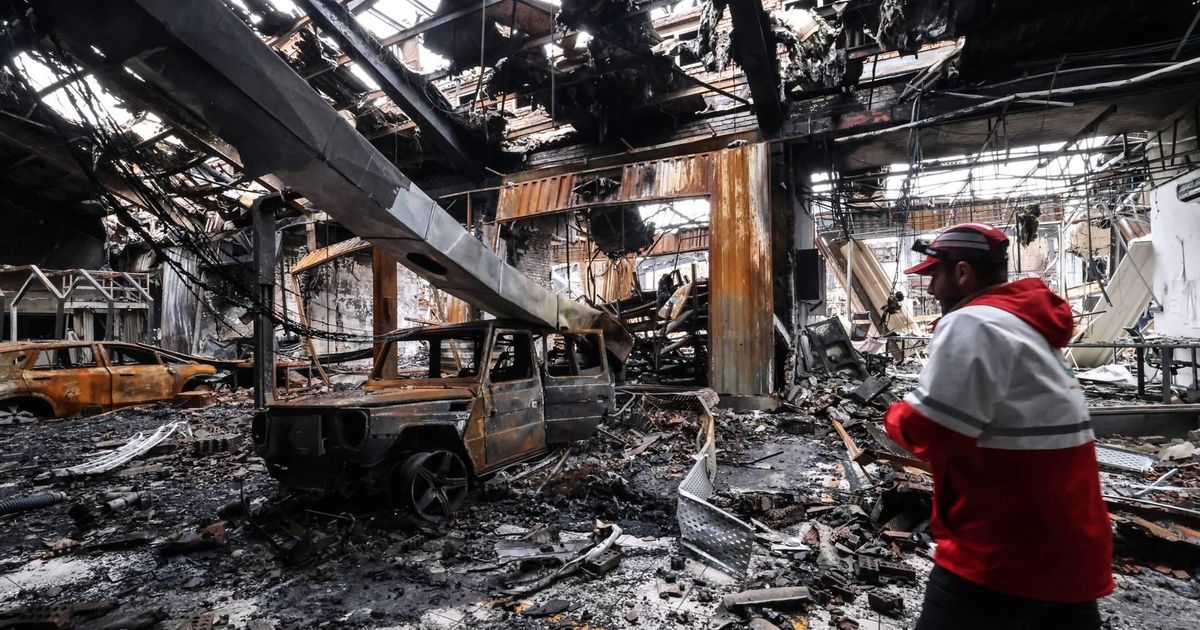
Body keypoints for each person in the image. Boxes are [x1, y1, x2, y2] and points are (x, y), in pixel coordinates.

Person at [884, 223, 1113, 630]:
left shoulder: (973, 323)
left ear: (962, 273)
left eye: (934, 275)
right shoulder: (1027, 325)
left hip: (1003, 550)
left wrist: (894, 414)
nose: (931, 289)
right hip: (1071, 549)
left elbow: (932, 430)